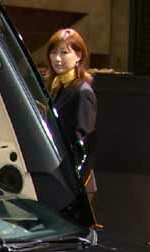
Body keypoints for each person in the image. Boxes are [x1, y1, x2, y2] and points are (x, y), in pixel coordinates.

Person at [46, 28, 97, 198]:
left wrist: (71, 183)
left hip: (69, 183)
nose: (57, 58)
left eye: (64, 52)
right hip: (51, 173)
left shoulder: (83, 92)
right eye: (53, 52)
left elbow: (82, 145)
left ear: (79, 56)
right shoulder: (53, 87)